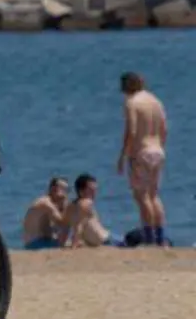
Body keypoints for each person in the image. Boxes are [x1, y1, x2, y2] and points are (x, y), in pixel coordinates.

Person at [117, 72, 168, 246]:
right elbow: (164, 129)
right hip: (158, 150)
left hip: (141, 151)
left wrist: (123, 156)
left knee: (142, 196)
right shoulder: (156, 101)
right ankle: (161, 238)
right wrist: (160, 147)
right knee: (154, 195)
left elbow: (131, 131)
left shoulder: (132, 103)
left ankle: (149, 238)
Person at [63, 174, 125, 248]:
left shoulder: (70, 206)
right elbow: (79, 226)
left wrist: (63, 243)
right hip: (107, 240)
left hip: (104, 240)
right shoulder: (86, 203)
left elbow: (65, 227)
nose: (94, 193)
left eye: (95, 190)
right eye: (91, 190)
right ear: (81, 191)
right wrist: (74, 245)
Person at [21, 178, 68, 249]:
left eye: (66, 190)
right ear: (53, 189)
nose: (65, 194)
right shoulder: (46, 203)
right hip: (35, 244)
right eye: (62, 190)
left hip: (38, 241)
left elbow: (48, 231)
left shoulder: (50, 203)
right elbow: (62, 223)